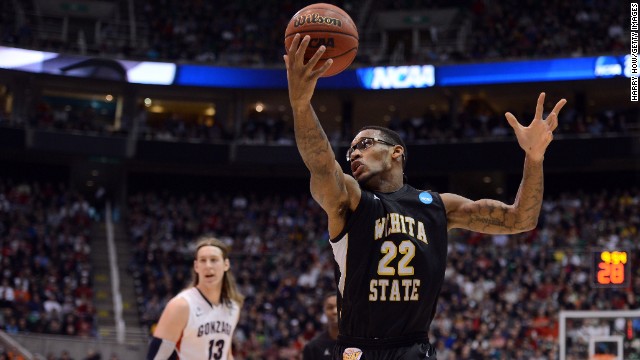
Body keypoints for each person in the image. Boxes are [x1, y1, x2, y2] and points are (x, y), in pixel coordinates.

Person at [284, 33, 567, 359]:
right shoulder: (352, 201)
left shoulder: (439, 206)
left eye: (365, 144)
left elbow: (521, 219)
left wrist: (534, 159)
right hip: (358, 348)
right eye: (350, 150)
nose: (354, 155)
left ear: (396, 153)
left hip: (413, 350)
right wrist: (300, 105)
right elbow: (322, 166)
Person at [146, 236, 244, 360]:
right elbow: (156, 357)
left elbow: (226, 354)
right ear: (196, 266)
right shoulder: (181, 306)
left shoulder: (233, 307)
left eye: (214, 260)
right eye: (203, 260)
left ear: (226, 264)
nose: (208, 265)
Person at [303, 293, 339, 360]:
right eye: (330, 307)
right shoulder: (313, 347)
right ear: (324, 311)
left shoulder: (359, 342)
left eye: (339, 306)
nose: (335, 311)